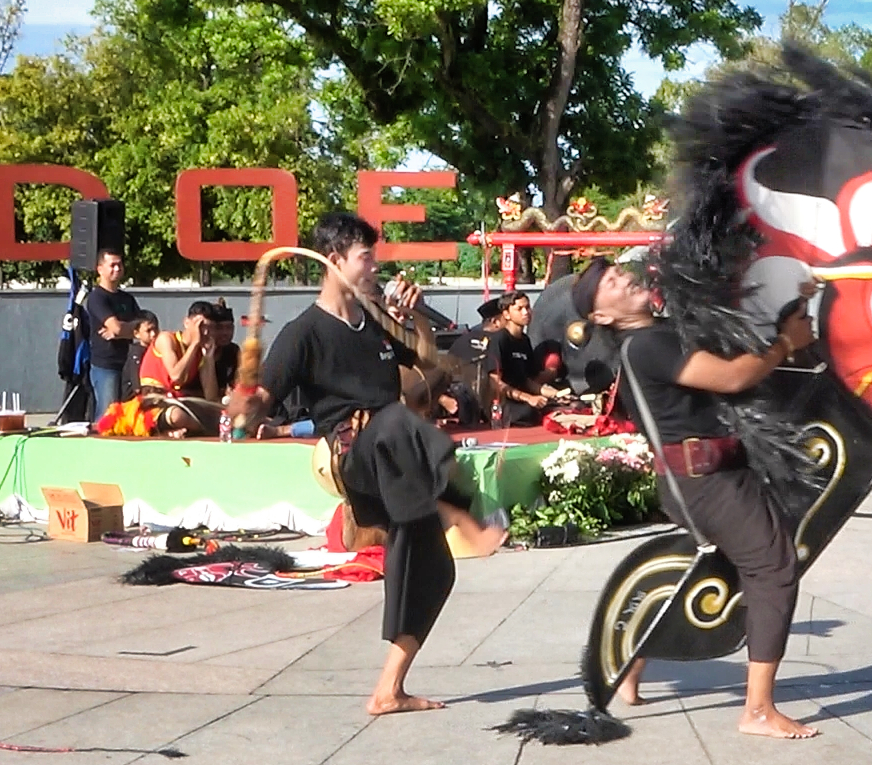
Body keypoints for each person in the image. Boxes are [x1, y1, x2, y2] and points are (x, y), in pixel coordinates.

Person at [231, 211, 506, 715]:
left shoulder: (372, 322)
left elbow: (425, 363)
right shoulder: (303, 333)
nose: (375, 266)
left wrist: (417, 318)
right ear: (334, 260)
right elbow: (264, 398)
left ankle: (389, 689)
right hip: (355, 454)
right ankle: (457, 511)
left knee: (432, 569)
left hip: (396, 459)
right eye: (366, 257)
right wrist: (246, 405)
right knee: (395, 421)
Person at [571, 257, 820, 740]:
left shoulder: (656, 334)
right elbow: (732, 378)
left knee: (716, 571)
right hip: (706, 483)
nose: (624, 278)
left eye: (619, 272)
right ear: (602, 316)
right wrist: (787, 343)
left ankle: (633, 666)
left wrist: (793, 302)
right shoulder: (647, 344)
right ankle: (758, 711)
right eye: (610, 284)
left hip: (701, 478)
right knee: (773, 567)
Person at [485, 291, 565, 426]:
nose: (526, 312)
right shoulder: (499, 339)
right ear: (506, 314)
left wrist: (556, 395)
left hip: (523, 399)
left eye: (527, 307)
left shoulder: (525, 341)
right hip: (503, 403)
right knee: (529, 413)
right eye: (519, 309)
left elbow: (527, 382)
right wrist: (528, 398)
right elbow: (495, 383)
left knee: (562, 407)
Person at [85, 247, 142, 419]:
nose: (117, 269)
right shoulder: (97, 298)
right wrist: (128, 329)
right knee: (108, 414)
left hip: (129, 363)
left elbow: (144, 327)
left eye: (120, 264)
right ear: (100, 269)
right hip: (106, 366)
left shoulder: (128, 299)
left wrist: (122, 331)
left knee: (129, 414)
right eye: (112, 265)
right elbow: (117, 327)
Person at [139, 301, 220, 401]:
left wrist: (209, 358)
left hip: (177, 398)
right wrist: (194, 343)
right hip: (152, 396)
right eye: (201, 326)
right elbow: (176, 377)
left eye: (210, 327)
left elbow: (211, 396)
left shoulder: (200, 351)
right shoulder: (166, 338)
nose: (206, 332)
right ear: (186, 323)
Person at [121, 311, 160, 402]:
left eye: (155, 329)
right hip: (134, 400)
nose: (153, 334)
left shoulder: (157, 349)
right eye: (148, 331)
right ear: (136, 334)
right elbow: (137, 386)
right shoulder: (137, 354)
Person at [211, 299, 240, 394]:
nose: (225, 333)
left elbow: (237, 381)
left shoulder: (233, 351)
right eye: (219, 328)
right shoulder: (198, 352)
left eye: (229, 327)